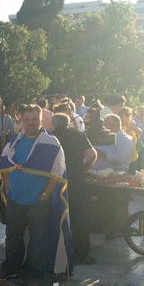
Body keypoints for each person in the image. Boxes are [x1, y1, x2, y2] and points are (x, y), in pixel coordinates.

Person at [0, 104, 70, 286]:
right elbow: (4, 165)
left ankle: (35, 275)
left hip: (38, 202)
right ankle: (10, 267)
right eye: (27, 120)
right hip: (15, 199)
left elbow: (58, 173)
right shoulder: (14, 140)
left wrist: (45, 194)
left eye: (34, 119)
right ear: (21, 120)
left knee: (38, 240)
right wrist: (7, 187)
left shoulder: (51, 143)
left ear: (41, 120)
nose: (30, 123)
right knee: (12, 236)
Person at [51, 113, 97, 264]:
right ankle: (82, 254)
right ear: (68, 123)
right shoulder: (78, 135)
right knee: (80, 218)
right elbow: (92, 154)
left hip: (55, 181)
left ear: (54, 124)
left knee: (55, 216)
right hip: (76, 180)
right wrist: (84, 166)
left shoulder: (50, 137)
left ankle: (57, 252)